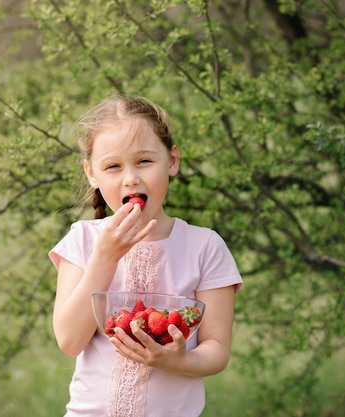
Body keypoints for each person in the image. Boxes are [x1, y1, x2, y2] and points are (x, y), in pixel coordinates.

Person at [49, 94, 243, 416]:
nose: (131, 178)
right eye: (113, 166)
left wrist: (179, 360)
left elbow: (217, 349)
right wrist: (106, 257)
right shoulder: (82, 240)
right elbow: (69, 341)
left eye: (144, 161)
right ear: (92, 174)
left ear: (172, 161)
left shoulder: (204, 247)